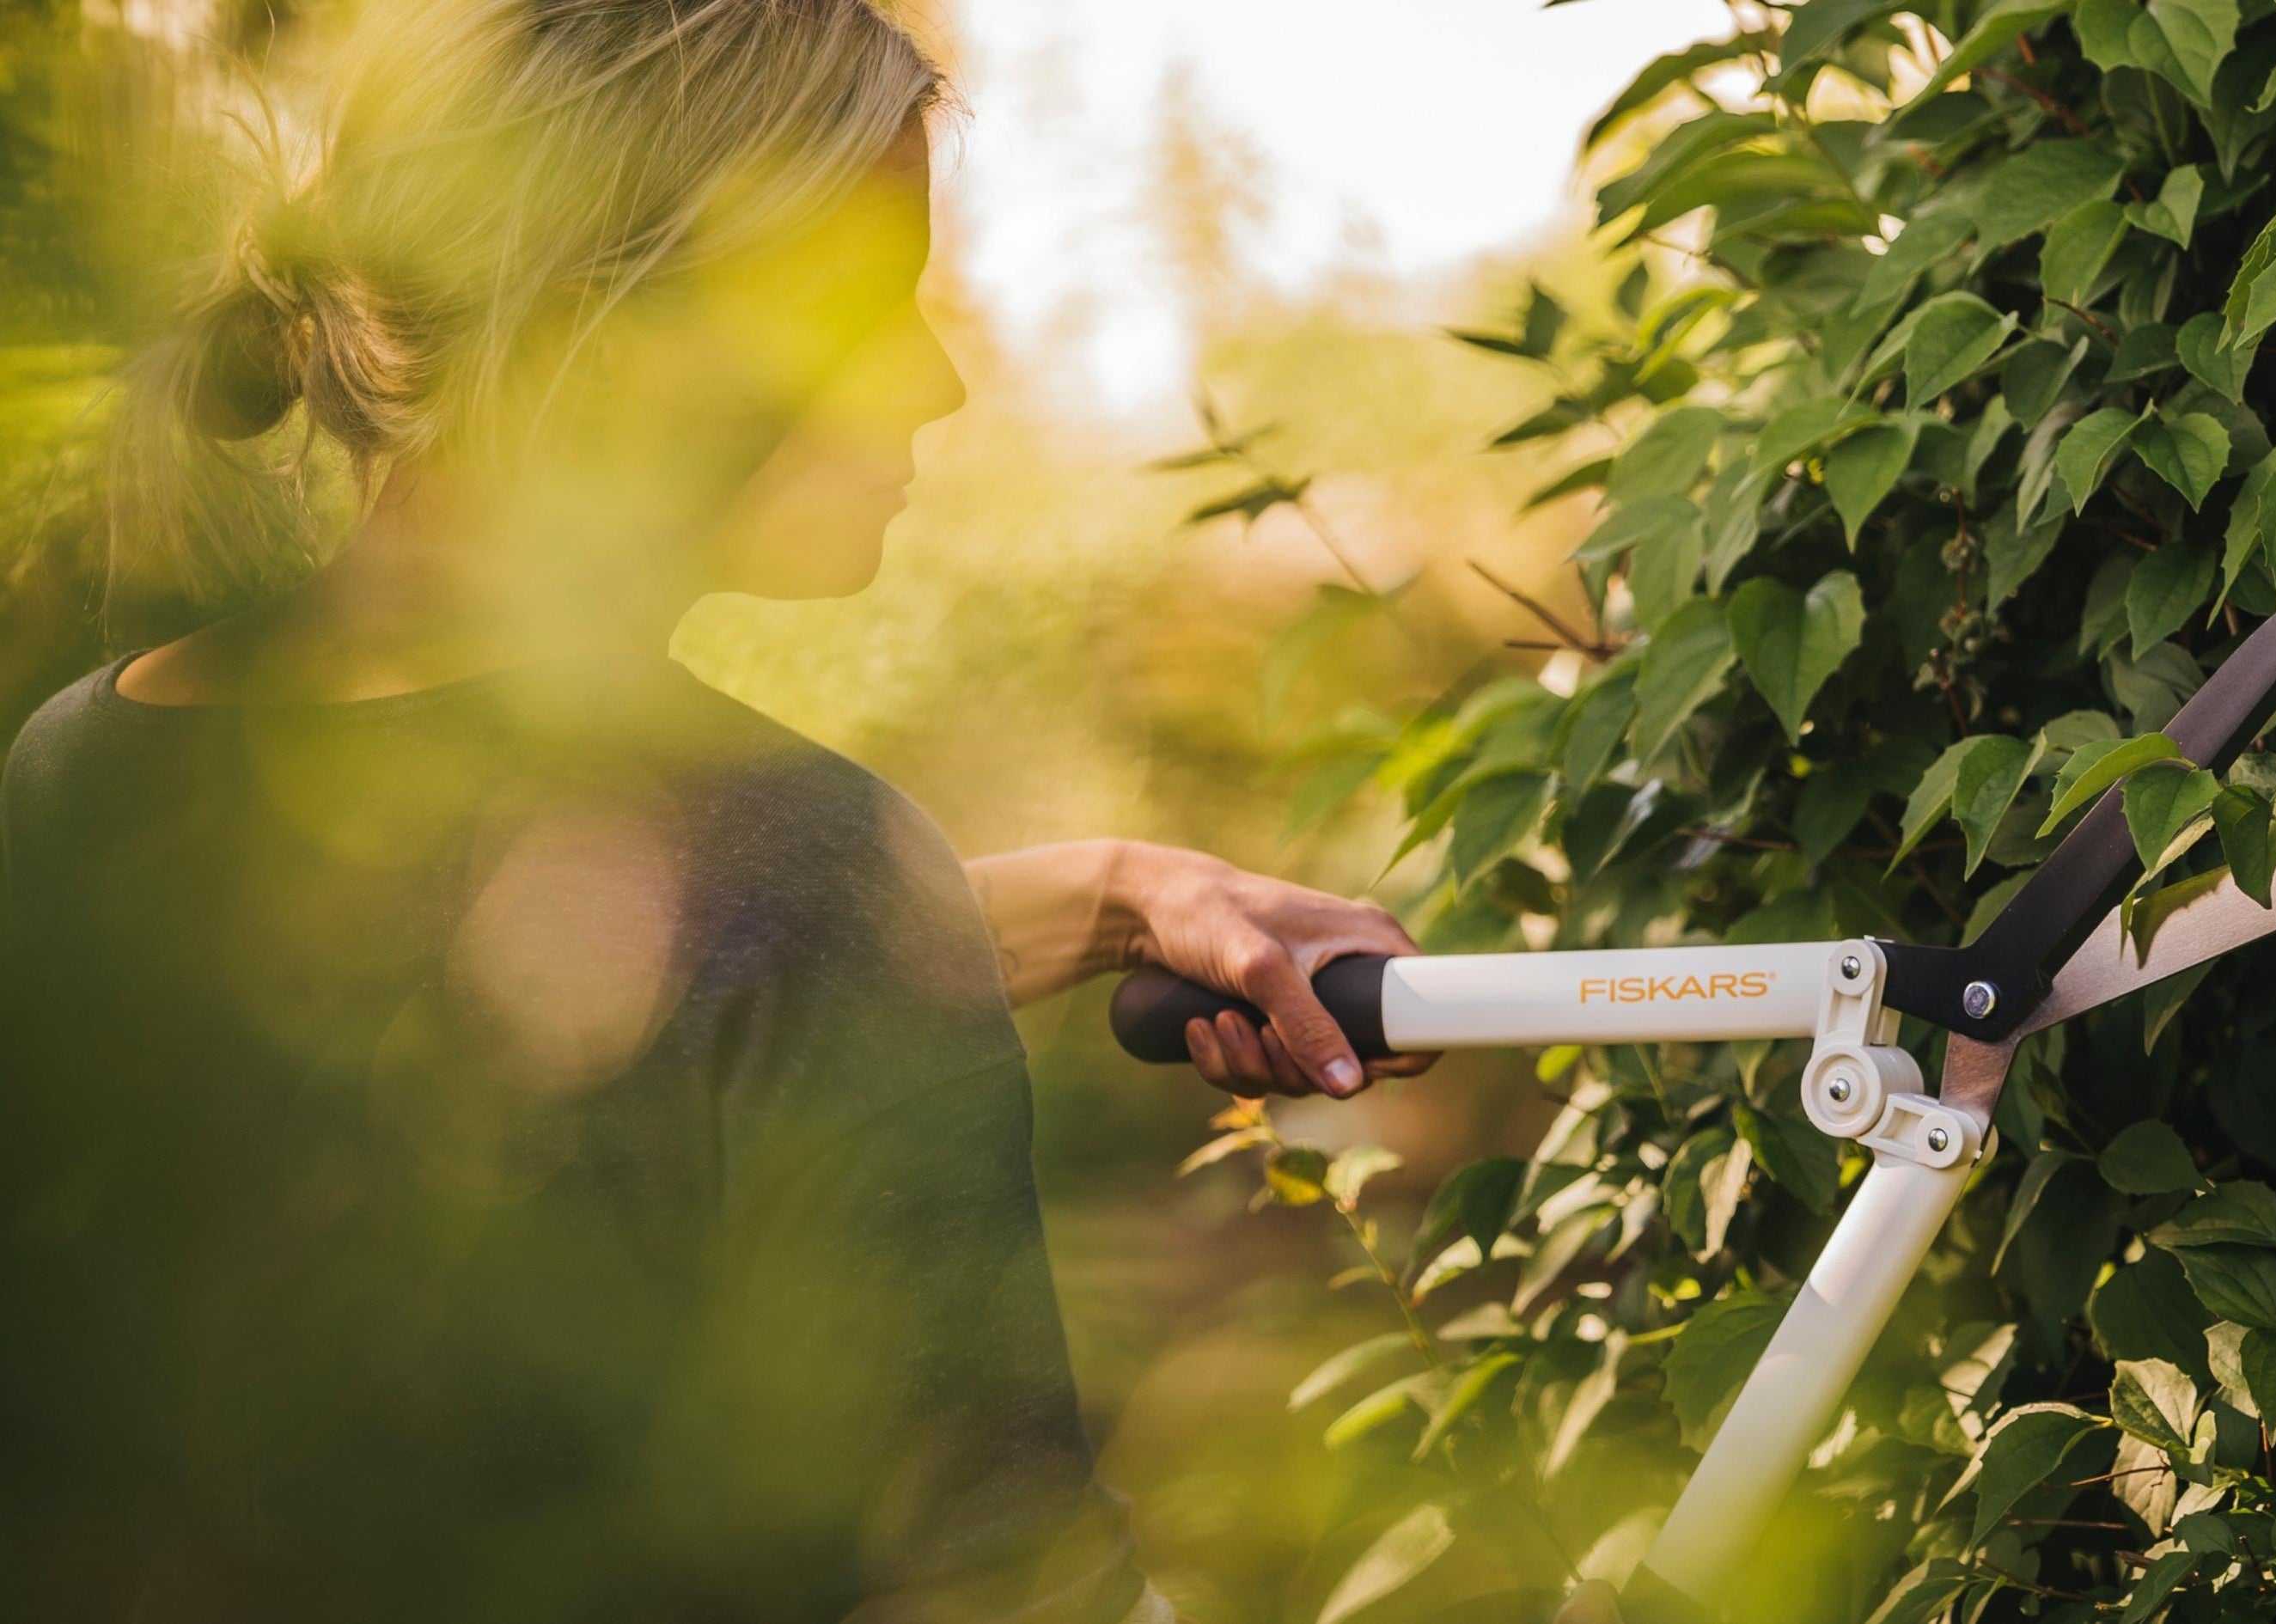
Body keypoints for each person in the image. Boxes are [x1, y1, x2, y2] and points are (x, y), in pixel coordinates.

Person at [0, 3, 1434, 1618]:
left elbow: (518, 1026)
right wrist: (888, 933)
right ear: (617, 337)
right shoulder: (812, 864)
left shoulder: (75, 770)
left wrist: (1076, 893)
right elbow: (994, 1581)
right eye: (866, 308)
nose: (944, 384)